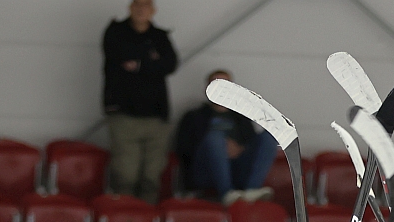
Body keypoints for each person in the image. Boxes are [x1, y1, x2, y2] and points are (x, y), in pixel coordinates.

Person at [102, 0, 178, 202]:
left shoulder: (160, 36)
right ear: (130, 7)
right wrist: (152, 61)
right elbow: (122, 57)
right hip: (124, 113)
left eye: (146, 5)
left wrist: (140, 65)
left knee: (152, 175)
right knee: (126, 174)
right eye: (137, 4)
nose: (141, 9)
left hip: (156, 115)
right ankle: (124, 218)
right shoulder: (116, 32)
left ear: (153, 11)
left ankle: (147, 221)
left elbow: (170, 64)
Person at [174, 70, 277, 204]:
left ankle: (251, 190)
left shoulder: (242, 118)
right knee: (215, 138)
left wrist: (239, 149)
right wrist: (218, 149)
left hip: (237, 168)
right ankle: (226, 193)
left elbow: (252, 145)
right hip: (205, 170)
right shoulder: (193, 116)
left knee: (269, 136)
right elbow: (183, 149)